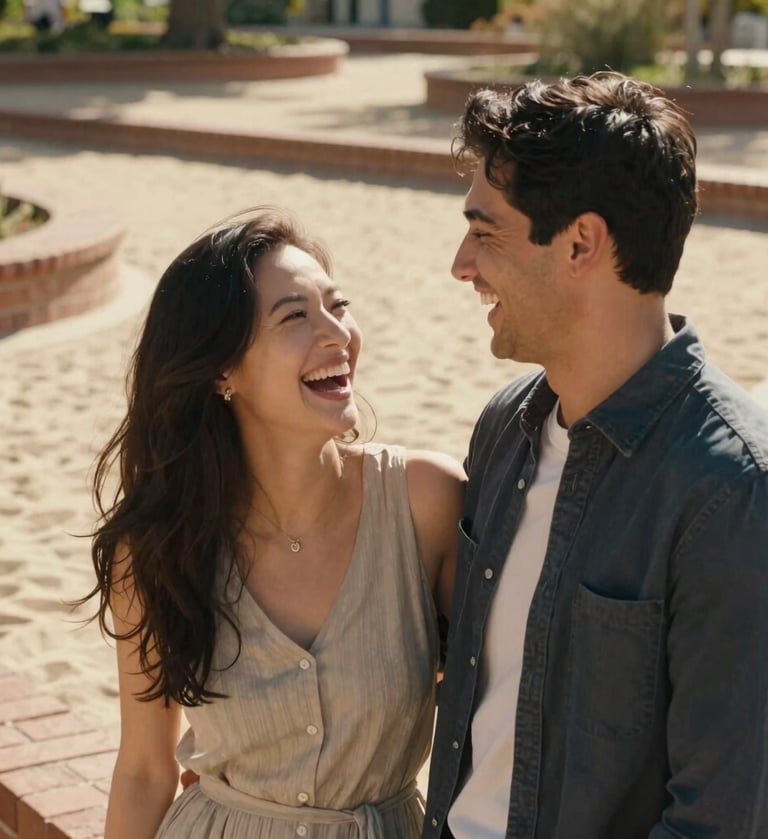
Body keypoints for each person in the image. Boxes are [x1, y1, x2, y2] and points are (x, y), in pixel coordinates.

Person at [423, 72, 768, 838]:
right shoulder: (504, 428)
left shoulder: (733, 489)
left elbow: (722, 816)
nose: (461, 264)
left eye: (485, 233)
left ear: (581, 242)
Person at [84, 206, 465, 839]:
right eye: (295, 316)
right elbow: (146, 770)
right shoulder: (158, 546)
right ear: (221, 370)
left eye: (337, 307)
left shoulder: (426, 503)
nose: (337, 334)